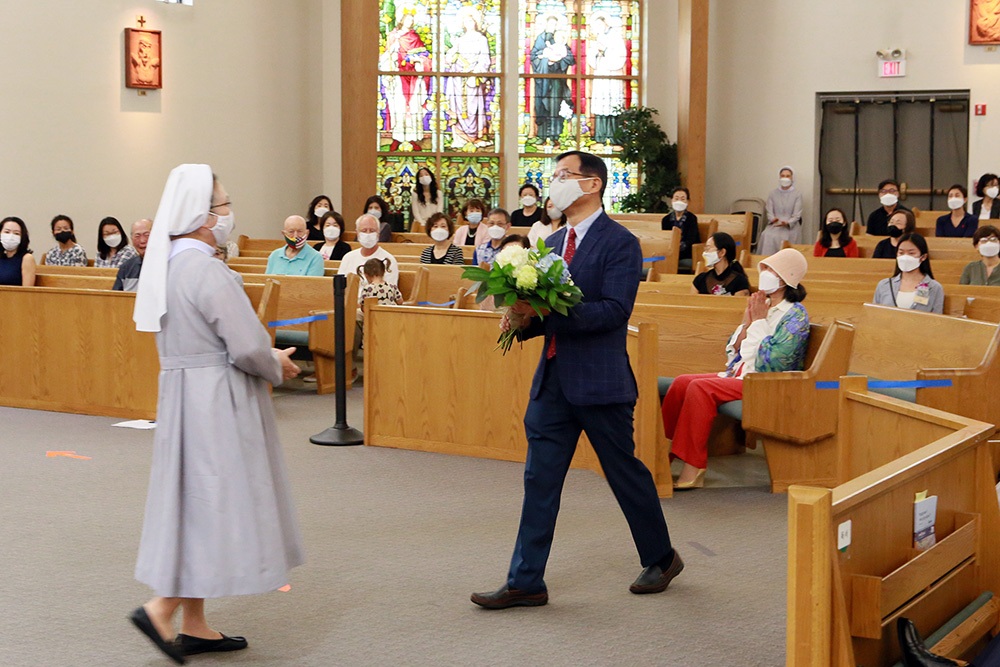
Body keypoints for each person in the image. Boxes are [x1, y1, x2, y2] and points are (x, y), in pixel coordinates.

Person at [471, 150, 681, 610]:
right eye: (554, 175)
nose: (555, 183)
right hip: (553, 381)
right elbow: (548, 313)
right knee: (539, 480)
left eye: (564, 175)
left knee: (623, 473)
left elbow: (613, 311)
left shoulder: (619, 242)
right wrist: (523, 318)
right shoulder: (550, 243)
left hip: (600, 382)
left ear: (592, 184)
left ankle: (662, 557)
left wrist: (547, 309)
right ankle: (526, 580)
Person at [129, 164, 304, 664]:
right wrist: (276, 362)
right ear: (204, 216)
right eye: (224, 205)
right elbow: (246, 346)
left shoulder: (167, 264)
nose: (228, 213)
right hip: (216, 399)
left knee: (194, 499)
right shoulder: (206, 269)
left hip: (183, 395)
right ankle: (161, 608)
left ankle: (195, 624)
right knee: (214, 503)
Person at [664, 248, 810, 489]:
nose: (764, 273)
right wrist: (747, 322)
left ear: (786, 277)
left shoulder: (796, 316)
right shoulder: (763, 304)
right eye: (764, 268)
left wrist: (759, 321)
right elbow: (735, 351)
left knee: (700, 388)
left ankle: (694, 466)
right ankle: (661, 454)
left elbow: (773, 363)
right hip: (742, 374)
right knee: (682, 382)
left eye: (770, 269)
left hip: (767, 382)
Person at [444, 7, 492, 149]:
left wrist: (476, 74)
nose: (468, 23)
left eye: (471, 21)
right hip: (458, 79)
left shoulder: (481, 39)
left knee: (473, 108)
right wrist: (451, 56)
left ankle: (475, 137)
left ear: (475, 22)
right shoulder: (460, 40)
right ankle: (460, 138)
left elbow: (485, 60)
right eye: (466, 21)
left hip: (473, 78)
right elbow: (450, 57)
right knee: (458, 107)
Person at [871, 233, 944, 314]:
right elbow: (875, 315)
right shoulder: (884, 285)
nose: (905, 257)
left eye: (911, 253)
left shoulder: (934, 287)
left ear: (923, 257)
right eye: (901, 253)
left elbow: (937, 318)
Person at [530, 14, 575, 143]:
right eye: (550, 24)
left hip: (557, 80)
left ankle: (555, 136)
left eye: (554, 24)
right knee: (542, 105)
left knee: (555, 105)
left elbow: (570, 58)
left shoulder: (560, 38)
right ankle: (542, 136)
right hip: (543, 79)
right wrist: (546, 61)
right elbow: (533, 56)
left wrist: (557, 61)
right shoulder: (540, 39)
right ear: (545, 24)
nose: (552, 27)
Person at [587, 13, 627, 143]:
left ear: (605, 23)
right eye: (596, 25)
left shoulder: (615, 36)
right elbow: (591, 57)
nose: (598, 27)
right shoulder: (597, 37)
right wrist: (595, 51)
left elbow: (620, 55)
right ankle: (600, 136)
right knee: (601, 103)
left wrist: (604, 50)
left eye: (600, 24)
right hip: (601, 74)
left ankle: (614, 137)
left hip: (613, 75)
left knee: (613, 103)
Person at [338, 214, 399, 286]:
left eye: (372, 230)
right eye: (364, 230)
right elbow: (340, 286)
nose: (368, 234)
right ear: (357, 233)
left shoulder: (388, 260)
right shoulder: (348, 258)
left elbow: (389, 289)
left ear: (378, 233)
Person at [757, 166, 803, 255]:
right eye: (782, 176)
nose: (785, 178)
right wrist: (773, 219)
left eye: (788, 176)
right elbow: (769, 211)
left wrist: (788, 222)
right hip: (775, 225)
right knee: (766, 235)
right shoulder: (773, 193)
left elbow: (797, 215)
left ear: (792, 178)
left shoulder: (797, 194)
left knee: (784, 237)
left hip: (790, 226)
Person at [660, 186, 700, 268]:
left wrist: (677, 248)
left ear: (687, 201)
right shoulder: (666, 220)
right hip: (670, 252)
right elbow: (665, 239)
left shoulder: (691, 218)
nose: (679, 201)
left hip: (687, 253)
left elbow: (691, 239)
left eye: (682, 199)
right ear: (672, 200)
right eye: (676, 198)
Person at [357, 258, 403, 324]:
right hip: (392, 318)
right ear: (384, 272)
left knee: (357, 315)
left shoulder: (367, 288)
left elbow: (363, 308)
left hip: (375, 319)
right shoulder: (392, 286)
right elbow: (400, 301)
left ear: (366, 275)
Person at [113, 219, 152, 292]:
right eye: (137, 236)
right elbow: (116, 296)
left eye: (147, 235)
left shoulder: (167, 265)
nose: (142, 241)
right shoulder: (126, 268)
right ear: (132, 239)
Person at [0, 216, 37, 287]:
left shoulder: (27, 258)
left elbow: (27, 290)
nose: (10, 236)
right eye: (7, 232)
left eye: (16, 233)